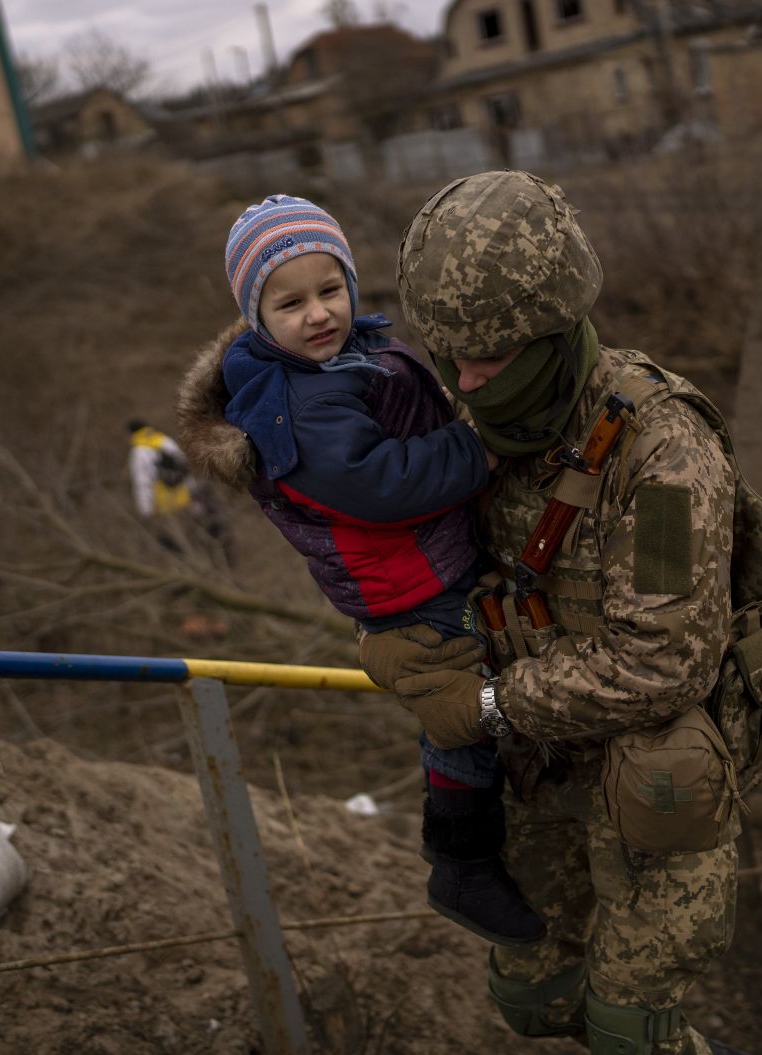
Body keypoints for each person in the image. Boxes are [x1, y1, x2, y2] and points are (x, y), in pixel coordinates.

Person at [358, 171, 762, 1055]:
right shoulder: (466, 420)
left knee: (631, 1036)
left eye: (490, 359)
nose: (466, 381)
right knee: (534, 999)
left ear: (553, 333)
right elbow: (400, 552)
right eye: (449, 356)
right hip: (538, 771)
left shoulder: (662, 448)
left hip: (653, 772)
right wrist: (392, 634)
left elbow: (663, 660)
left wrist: (487, 705)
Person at [174, 194, 544, 946]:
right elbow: (381, 485)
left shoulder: (347, 355)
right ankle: (462, 862)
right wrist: (477, 446)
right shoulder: (295, 405)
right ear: (255, 316)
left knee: (487, 688)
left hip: (436, 559)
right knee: (460, 713)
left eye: (330, 289)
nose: (319, 313)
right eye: (290, 303)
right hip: (409, 587)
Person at [125, 418, 233, 562]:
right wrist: (192, 490)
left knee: (176, 543)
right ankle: (212, 561)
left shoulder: (139, 452)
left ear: (131, 434)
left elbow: (143, 482)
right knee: (196, 535)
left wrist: (146, 510)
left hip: (165, 506)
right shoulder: (164, 441)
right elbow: (184, 467)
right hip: (185, 498)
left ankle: (190, 564)